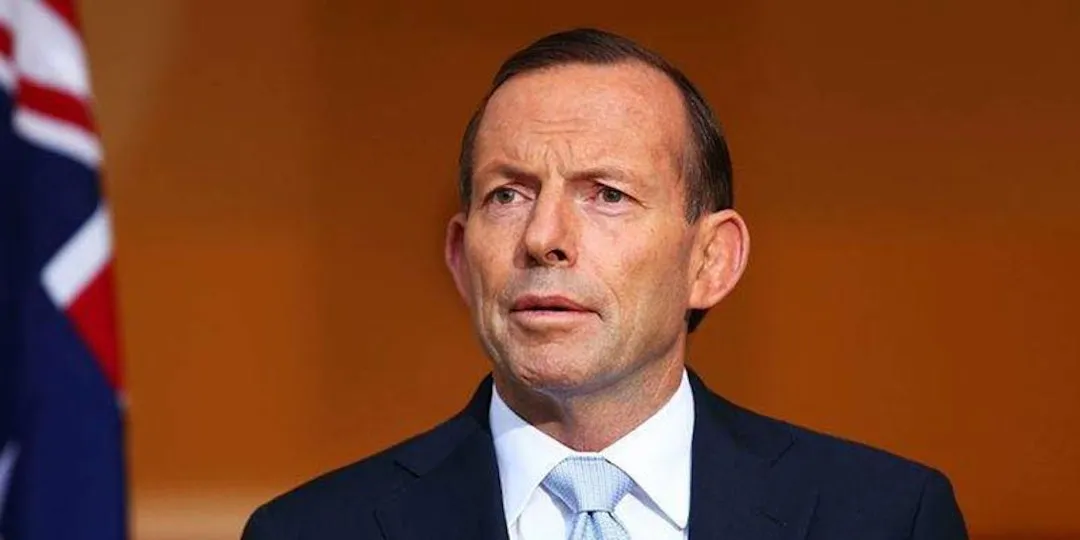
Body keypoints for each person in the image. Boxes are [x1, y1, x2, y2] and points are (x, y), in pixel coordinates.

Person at [241, 28, 967, 540]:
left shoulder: (882, 518)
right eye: (508, 194)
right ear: (462, 259)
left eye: (607, 194)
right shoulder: (309, 531)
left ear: (711, 260)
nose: (543, 237)